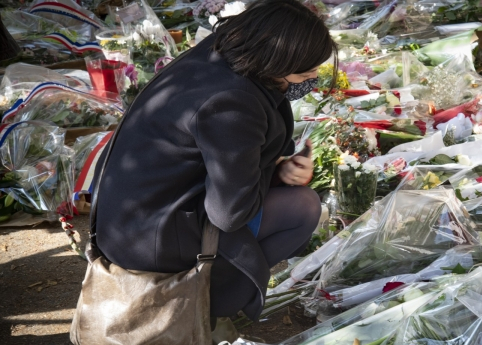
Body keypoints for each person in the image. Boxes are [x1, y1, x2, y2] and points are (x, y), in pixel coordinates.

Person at [92, 0, 338, 322]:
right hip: (153, 235)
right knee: (303, 208)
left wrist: (276, 170)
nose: (314, 78)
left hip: (130, 215)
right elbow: (229, 214)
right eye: (306, 73)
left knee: (290, 202)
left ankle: (214, 294)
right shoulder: (232, 102)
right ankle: (201, 304)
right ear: (277, 62)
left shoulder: (221, 52)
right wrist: (268, 176)